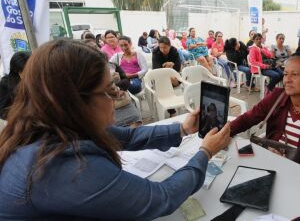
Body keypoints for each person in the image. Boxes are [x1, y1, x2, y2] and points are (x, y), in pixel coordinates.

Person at [0, 39, 232, 220]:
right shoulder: (58, 167)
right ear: (77, 101)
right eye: (109, 89)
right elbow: (161, 198)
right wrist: (205, 153)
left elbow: (129, 136)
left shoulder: (54, 125)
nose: (119, 94)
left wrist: (182, 128)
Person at [230, 51, 300, 170]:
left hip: (299, 177)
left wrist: (289, 168)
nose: (287, 80)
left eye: (294, 74)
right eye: (285, 74)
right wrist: (222, 132)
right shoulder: (277, 97)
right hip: (268, 165)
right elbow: (247, 119)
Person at [0, 51, 31, 120]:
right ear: (16, 71)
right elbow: (2, 110)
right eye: (24, 71)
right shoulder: (6, 83)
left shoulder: (36, 79)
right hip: (20, 122)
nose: (28, 74)